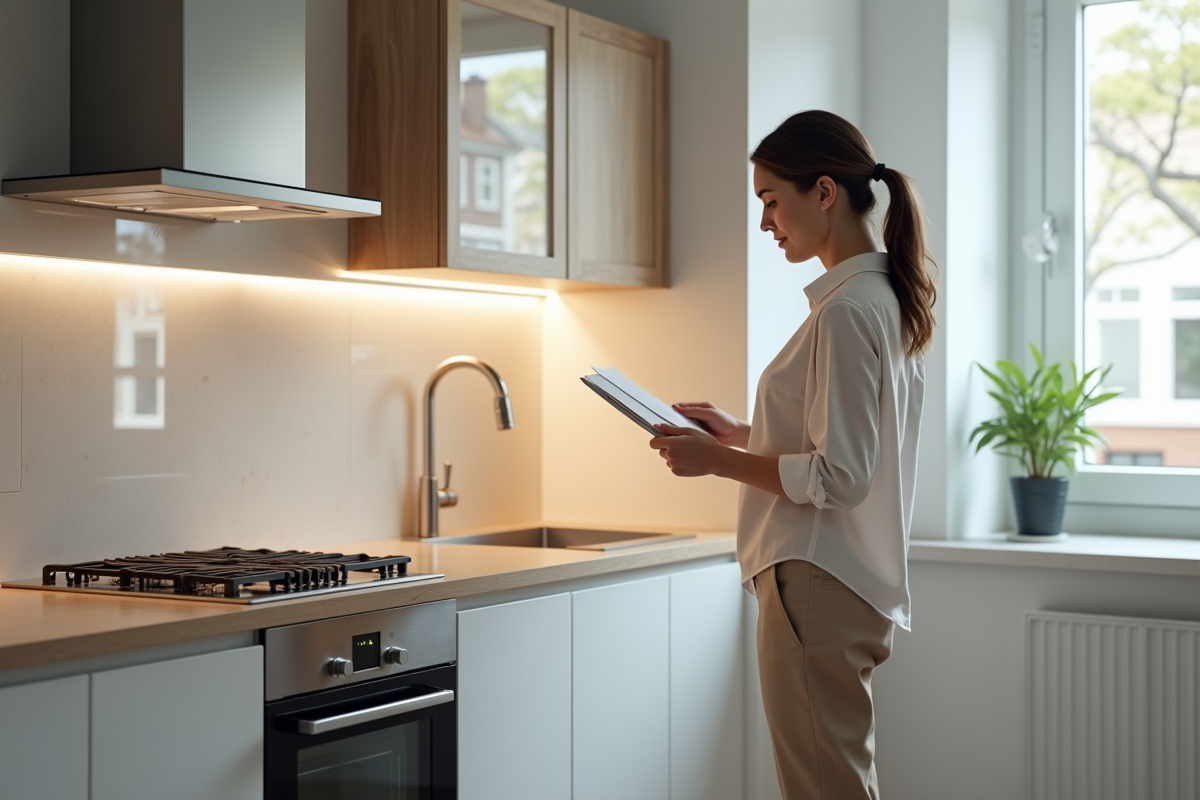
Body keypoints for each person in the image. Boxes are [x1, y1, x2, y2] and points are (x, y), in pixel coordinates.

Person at [649, 109, 937, 800]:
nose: (765, 222)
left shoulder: (845, 311)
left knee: (822, 787)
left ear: (825, 192)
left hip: (814, 580)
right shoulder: (881, 298)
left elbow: (840, 475)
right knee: (838, 780)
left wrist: (713, 461)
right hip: (844, 582)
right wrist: (739, 433)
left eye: (772, 200)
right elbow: (848, 440)